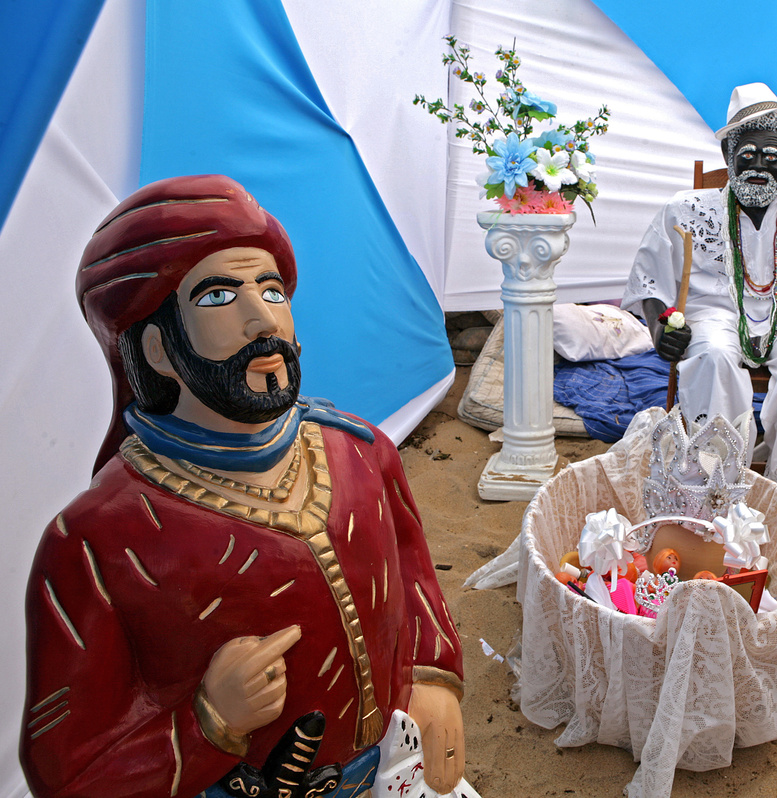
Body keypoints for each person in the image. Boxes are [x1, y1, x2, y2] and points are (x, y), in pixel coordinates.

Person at [20, 175, 467, 798]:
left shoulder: (363, 452)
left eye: (273, 289)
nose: (262, 319)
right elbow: (66, 769)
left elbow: (413, 576)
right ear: (155, 348)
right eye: (218, 296)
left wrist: (434, 677)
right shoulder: (95, 541)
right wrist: (208, 723)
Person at [623, 82, 777, 502]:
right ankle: (718, 483)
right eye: (748, 154)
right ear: (728, 156)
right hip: (714, 314)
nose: (759, 165)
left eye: (773, 157)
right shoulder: (685, 209)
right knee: (713, 355)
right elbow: (649, 280)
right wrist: (661, 327)